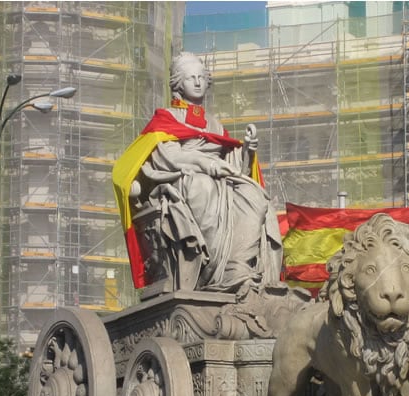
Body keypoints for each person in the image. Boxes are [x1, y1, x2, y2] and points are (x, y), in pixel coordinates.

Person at [113, 52, 282, 295]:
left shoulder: (214, 124)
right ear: (178, 84)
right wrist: (206, 164)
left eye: (201, 77)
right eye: (190, 77)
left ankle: (238, 266)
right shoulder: (166, 118)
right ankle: (213, 271)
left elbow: (235, 165)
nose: (197, 82)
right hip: (184, 177)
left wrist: (247, 152)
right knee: (203, 187)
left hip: (222, 178)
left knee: (254, 195)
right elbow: (169, 157)